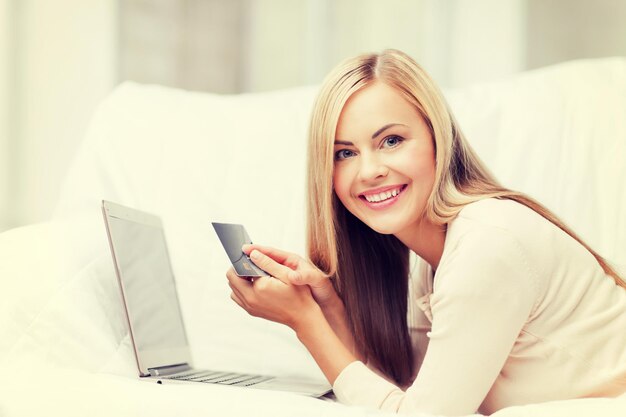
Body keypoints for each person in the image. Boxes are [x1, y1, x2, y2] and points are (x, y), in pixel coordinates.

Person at [225, 49, 626, 415]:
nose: (369, 171)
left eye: (391, 140)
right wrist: (327, 305)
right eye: (344, 153)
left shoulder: (486, 244)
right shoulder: (428, 260)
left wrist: (306, 323)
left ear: (439, 139)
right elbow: (403, 394)